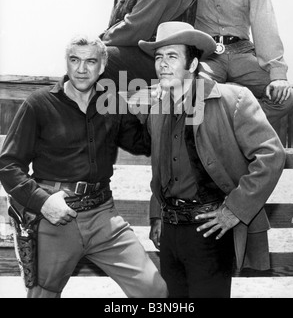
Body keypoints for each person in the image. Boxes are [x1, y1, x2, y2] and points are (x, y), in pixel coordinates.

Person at [0, 36, 167, 298]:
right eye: (75, 60)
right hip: (55, 215)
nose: (81, 69)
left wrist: (161, 107)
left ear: (102, 67)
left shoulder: (112, 102)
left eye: (91, 61)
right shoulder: (39, 104)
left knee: (153, 290)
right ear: (66, 63)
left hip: (104, 216)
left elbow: (143, 143)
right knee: (42, 295)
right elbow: (8, 164)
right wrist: (42, 203)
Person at [138, 21, 286, 298]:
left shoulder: (234, 99)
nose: (162, 65)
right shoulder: (157, 110)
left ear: (192, 65)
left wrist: (234, 210)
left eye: (172, 56)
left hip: (210, 229)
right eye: (158, 57)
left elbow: (271, 155)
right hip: (170, 231)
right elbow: (161, 169)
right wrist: (157, 216)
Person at [164, 0, 293, 128]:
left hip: (242, 54)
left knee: (287, 100)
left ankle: (235, 126)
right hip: (209, 56)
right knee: (190, 94)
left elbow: (265, 27)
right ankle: (224, 131)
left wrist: (278, 75)